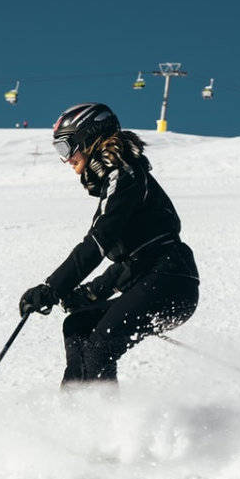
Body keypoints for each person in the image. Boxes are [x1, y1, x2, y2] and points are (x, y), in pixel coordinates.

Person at [19, 103, 199, 386]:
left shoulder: (124, 175)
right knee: (78, 325)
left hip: (170, 282)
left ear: (89, 138)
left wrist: (53, 288)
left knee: (100, 346)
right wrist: (91, 292)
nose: (66, 160)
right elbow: (135, 258)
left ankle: (104, 421)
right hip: (156, 279)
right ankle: (74, 413)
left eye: (66, 148)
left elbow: (99, 241)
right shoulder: (119, 179)